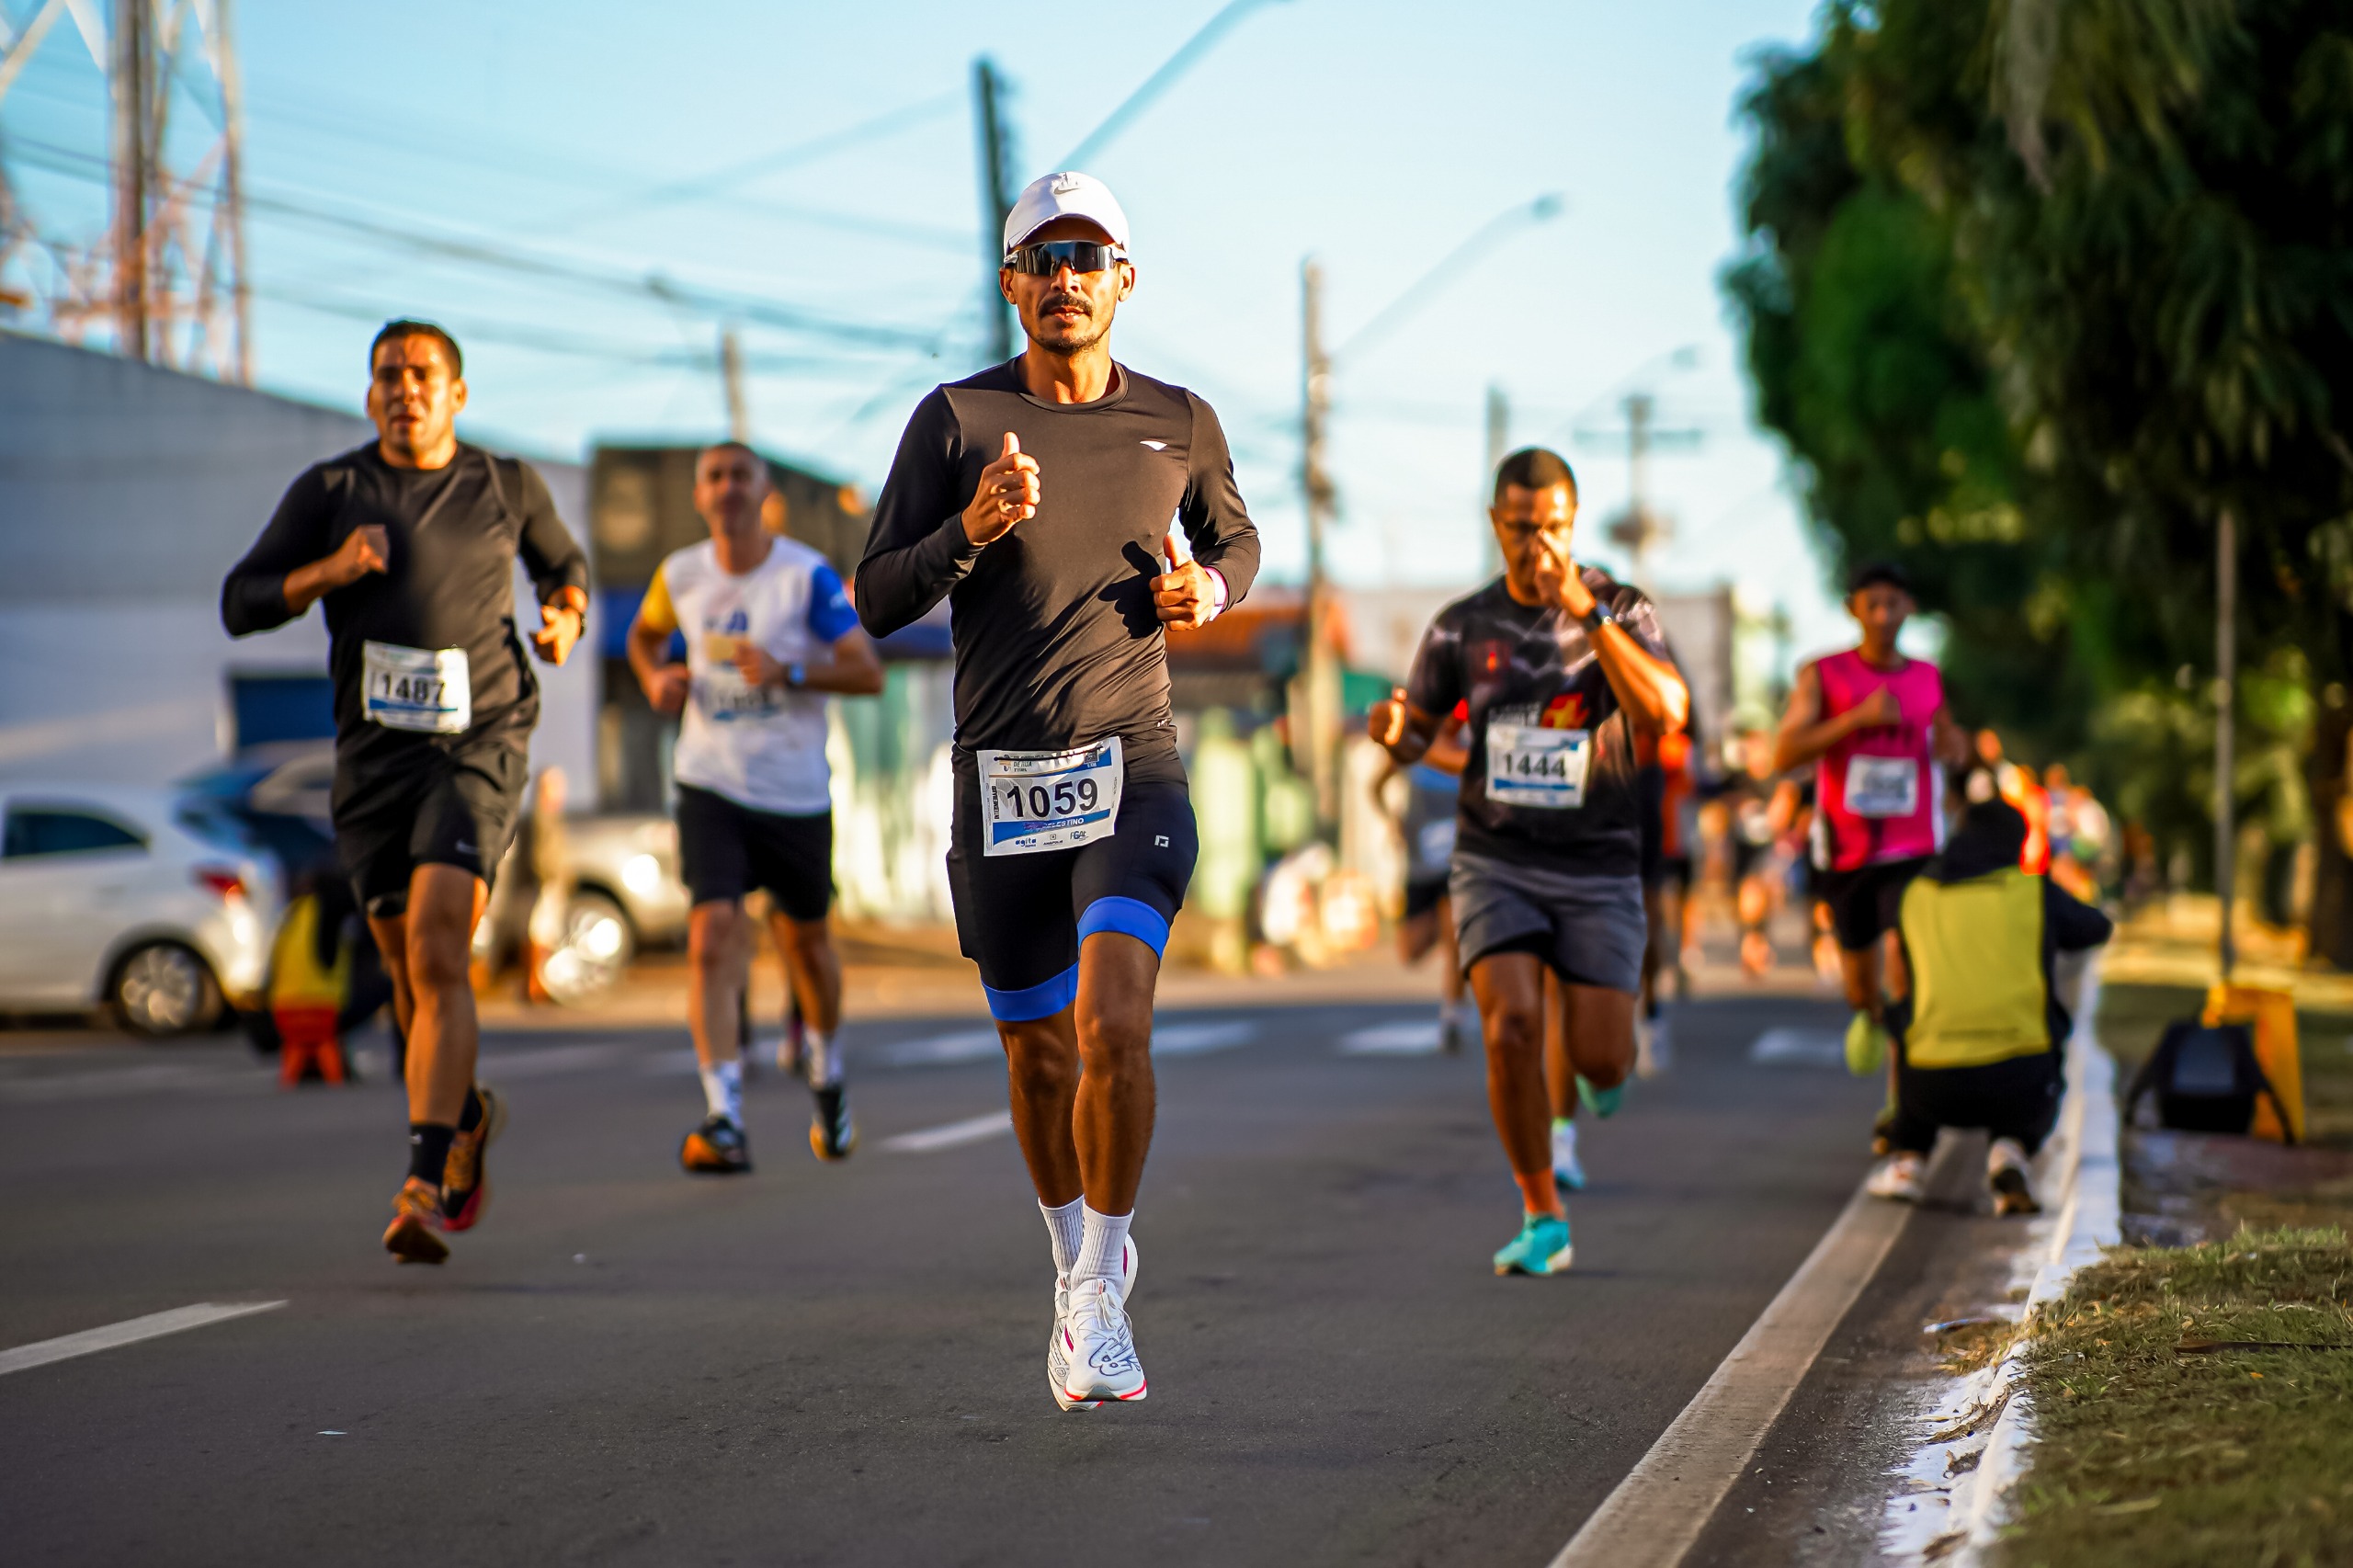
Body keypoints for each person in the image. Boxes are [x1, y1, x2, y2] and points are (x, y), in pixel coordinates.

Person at [856, 171, 1259, 1408]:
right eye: (1046, 255)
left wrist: (1217, 591)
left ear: (1126, 279)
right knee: (1037, 1053)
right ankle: (1069, 1245)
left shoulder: (1181, 422)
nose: (1068, 275)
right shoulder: (957, 422)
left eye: (1091, 255)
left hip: (1131, 765)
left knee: (1112, 1024)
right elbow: (877, 597)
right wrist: (969, 529)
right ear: (1011, 281)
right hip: (1004, 781)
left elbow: (1236, 540)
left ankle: (1097, 1291)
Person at [222, 320, 587, 1265]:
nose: (404, 389)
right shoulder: (333, 491)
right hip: (374, 759)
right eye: (388, 375)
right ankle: (463, 1119)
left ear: (456, 394)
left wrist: (565, 614)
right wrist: (329, 572)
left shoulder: (504, 483)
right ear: (369, 391)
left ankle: (423, 1175)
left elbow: (566, 565)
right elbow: (242, 600)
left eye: (423, 374)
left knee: (436, 947)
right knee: (408, 978)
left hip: (479, 741)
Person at [1370, 448, 1689, 1278]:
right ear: (1495, 525)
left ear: (1572, 525)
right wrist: (1394, 728)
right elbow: (1417, 737)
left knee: (1601, 1057)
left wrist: (1587, 612)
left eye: (1550, 528)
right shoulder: (1461, 625)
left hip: (1599, 865)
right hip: (1497, 857)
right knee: (1510, 1026)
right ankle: (1542, 1211)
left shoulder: (1622, 609)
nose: (1535, 546)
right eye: (1519, 528)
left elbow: (1665, 713)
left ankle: (1601, 1073)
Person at [630, 441, 883, 1175]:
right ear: (699, 494)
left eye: (741, 475)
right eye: (714, 477)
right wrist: (655, 678)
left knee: (803, 944)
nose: (727, 488)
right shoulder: (679, 574)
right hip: (709, 780)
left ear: (763, 492)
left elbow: (866, 672)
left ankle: (828, 1072)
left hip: (794, 790)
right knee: (712, 935)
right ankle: (723, 1114)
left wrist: (790, 669)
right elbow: (644, 639)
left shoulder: (803, 576)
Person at [1864, 794, 2112, 1212]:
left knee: (1908, 1018)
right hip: (2020, 1081)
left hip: (1929, 1084)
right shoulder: (2033, 892)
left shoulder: (1916, 895)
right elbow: (2096, 928)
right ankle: (2010, 1150)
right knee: (2050, 1027)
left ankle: (1910, 1160)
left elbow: (1890, 963)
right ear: (2016, 845)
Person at [1773, 562, 1967, 1076]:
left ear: (1910, 608)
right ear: (1852, 609)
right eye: (1872, 604)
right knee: (1863, 988)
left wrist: (1954, 746)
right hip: (1846, 848)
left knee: (1907, 970)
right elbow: (1784, 752)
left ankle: (1905, 1106)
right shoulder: (1822, 673)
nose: (1883, 615)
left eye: (1893, 603)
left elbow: (1951, 741)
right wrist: (1855, 719)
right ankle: (1872, 1017)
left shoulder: (1927, 677)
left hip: (1913, 845)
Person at [1384, 711, 1470, 1053]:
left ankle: (1453, 1014)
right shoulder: (1413, 752)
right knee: (1411, 951)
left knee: (1455, 941)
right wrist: (1392, 820)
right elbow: (1375, 785)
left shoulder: (1467, 752)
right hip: (1421, 863)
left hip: (1457, 861)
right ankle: (1439, 927)